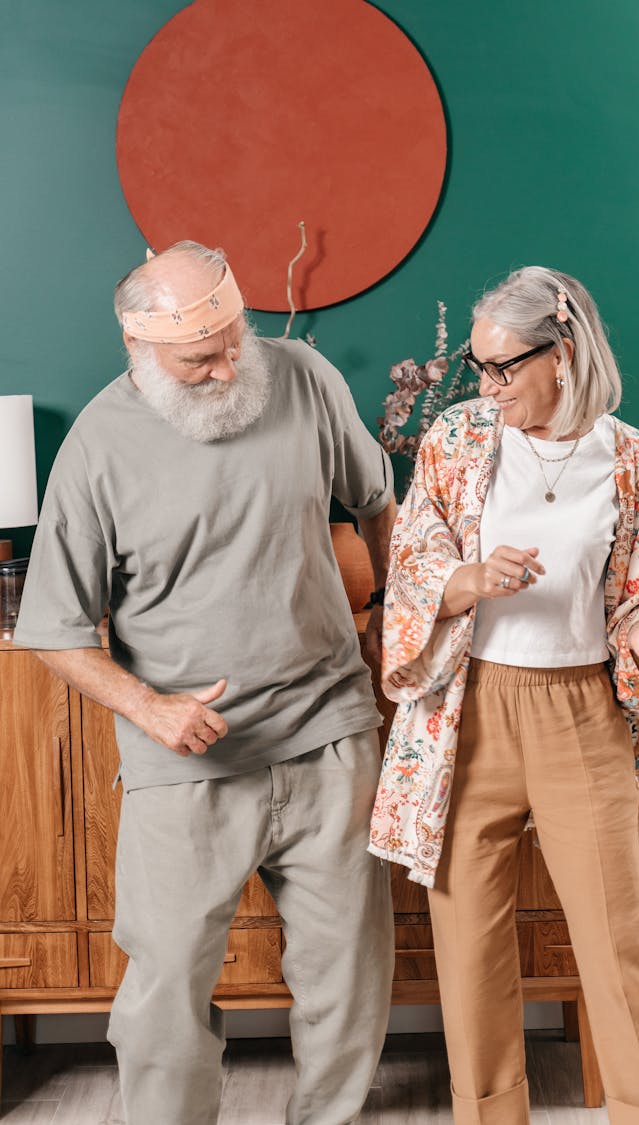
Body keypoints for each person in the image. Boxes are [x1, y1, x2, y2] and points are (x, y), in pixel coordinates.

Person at [13, 240, 397, 1125]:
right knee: (165, 987)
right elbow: (52, 631)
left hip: (331, 733)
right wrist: (151, 707)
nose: (229, 366)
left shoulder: (299, 376)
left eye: (235, 338)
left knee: (349, 972)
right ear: (141, 350)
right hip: (186, 762)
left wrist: (390, 635)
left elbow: (377, 501)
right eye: (201, 357)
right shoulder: (99, 446)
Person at [370, 266, 639, 1125]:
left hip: (581, 713)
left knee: (619, 943)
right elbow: (414, 566)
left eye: (505, 366)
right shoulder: (456, 441)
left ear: (565, 352)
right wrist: (468, 578)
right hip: (465, 716)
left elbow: (637, 597)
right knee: (467, 946)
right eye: (479, 365)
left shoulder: (631, 458)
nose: (489, 385)